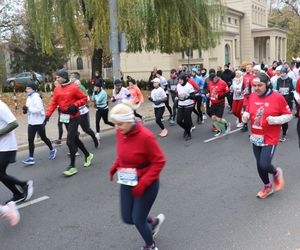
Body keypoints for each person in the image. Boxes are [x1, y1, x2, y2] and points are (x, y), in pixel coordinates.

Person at [109, 102, 166, 250]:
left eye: (120, 124)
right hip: (128, 178)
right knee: (128, 218)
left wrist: (144, 183)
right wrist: (116, 166)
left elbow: (159, 161)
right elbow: (123, 152)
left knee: (138, 219)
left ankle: (150, 245)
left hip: (147, 182)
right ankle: (152, 223)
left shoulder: (146, 137)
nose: (117, 128)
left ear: (130, 120)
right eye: (115, 124)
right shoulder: (121, 132)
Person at [242, 73, 292, 199]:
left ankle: (276, 173)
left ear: (267, 84)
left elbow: (289, 115)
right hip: (255, 136)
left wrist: (275, 120)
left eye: (260, 85)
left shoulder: (277, 97)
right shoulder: (253, 96)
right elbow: (248, 109)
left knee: (264, 164)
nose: (256, 88)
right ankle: (267, 187)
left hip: (270, 137)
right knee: (259, 164)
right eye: (254, 85)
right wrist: (246, 115)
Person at [45, 69, 94, 177]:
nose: (56, 79)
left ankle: (72, 166)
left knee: (69, 141)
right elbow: (53, 103)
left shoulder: (74, 87)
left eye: (58, 77)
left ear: (64, 77)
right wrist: (47, 115)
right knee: (75, 139)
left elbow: (84, 98)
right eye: (56, 77)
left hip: (74, 117)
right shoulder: (57, 89)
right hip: (64, 117)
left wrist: (76, 105)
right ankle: (87, 155)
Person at [0, 99, 33, 203]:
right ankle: (17, 194)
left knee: (0, 174)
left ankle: (24, 185)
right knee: (1, 174)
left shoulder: (1, 106)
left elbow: (13, 123)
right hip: (1, 146)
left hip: (7, 146)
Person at [22, 81, 57, 165]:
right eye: (26, 88)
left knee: (43, 138)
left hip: (39, 122)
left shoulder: (36, 97)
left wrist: (29, 109)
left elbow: (39, 110)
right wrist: (25, 110)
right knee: (30, 140)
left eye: (28, 88)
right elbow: (29, 108)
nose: (26, 89)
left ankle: (52, 149)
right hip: (31, 122)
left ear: (32, 89)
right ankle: (31, 158)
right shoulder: (29, 97)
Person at [70, 72, 99, 148]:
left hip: (82, 112)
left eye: (71, 77)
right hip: (74, 112)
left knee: (86, 129)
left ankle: (95, 138)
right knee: (73, 131)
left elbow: (87, 98)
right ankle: (74, 150)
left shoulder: (80, 87)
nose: (70, 79)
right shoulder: (71, 86)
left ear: (75, 78)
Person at [275, 67, 296, 142]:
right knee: (279, 117)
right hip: (279, 102)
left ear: (286, 73)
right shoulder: (278, 80)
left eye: (283, 73)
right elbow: (275, 90)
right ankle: (280, 130)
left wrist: (292, 93)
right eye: (281, 73)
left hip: (288, 102)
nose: (282, 74)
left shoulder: (292, 80)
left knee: (284, 119)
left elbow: (296, 91)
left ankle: (284, 134)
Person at [176, 73, 195, 140]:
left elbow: (193, 96)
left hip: (189, 105)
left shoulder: (189, 86)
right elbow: (178, 94)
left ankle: (189, 134)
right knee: (179, 120)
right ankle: (187, 129)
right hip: (180, 104)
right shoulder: (178, 85)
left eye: (181, 80)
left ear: (184, 80)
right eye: (179, 80)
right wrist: (177, 97)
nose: (179, 81)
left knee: (187, 120)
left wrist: (187, 97)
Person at [241, 64, 254, 132]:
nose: (247, 69)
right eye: (246, 68)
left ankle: (253, 124)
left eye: (249, 68)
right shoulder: (244, 76)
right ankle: (245, 125)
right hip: (245, 96)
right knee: (245, 110)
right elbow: (243, 85)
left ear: (252, 68)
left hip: (252, 97)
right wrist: (242, 90)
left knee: (252, 111)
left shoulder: (253, 76)